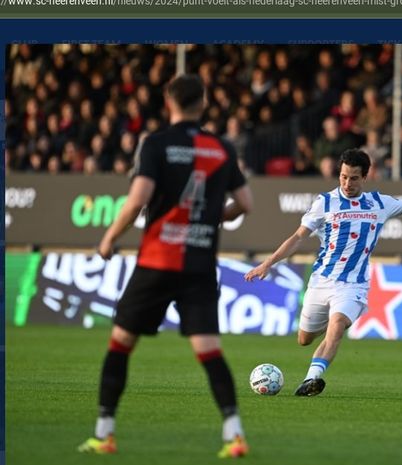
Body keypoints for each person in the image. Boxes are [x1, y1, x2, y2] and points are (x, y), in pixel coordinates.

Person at [78, 74, 254, 458]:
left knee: (120, 344)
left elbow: (137, 199)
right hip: (200, 265)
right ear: (203, 103)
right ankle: (235, 434)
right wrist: (213, 218)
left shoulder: (156, 144)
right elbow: (245, 203)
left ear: (168, 101)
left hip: (158, 261)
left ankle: (105, 433)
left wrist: (109, 238)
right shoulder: (221, 147)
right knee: (209, 350)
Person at [244, 148, 402, 396]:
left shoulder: (379, 203)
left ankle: (311, 379)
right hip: (321, 281)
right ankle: (328, 327)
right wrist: (268, 263)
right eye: (343, 177)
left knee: (337, 325)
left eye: (354, 178)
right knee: (304, 339)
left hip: (353, 285)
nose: (347, 183)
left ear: (365, 177)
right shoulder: (325, 202)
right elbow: (297, 237)